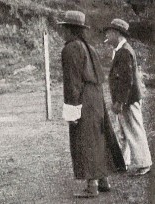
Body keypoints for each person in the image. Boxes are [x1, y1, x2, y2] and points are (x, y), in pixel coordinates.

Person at [58, 10, 126, 198]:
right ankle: (103, 180)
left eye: (64, 28)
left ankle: (92, 186)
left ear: (71, 29)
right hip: (96, 97)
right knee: (98, 137)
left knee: (84, 139)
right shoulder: (90, 47)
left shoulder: (71, 48)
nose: (62, 32)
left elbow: (72, 82)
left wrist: (72, 110)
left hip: (84, 97)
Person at [104, 18, 152, 176]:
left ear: (117, 34)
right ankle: (123, 162)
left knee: (134, 129)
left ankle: (144, 163)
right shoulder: (120, 50)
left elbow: (127, 80)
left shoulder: (124, 51)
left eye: (109, 32)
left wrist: (120, 101)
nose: (107, 35)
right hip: (126, 98)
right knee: (124, 129)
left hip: (128, 99)